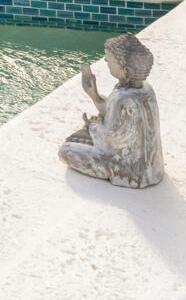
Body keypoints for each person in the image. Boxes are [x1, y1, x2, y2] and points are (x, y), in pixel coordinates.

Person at [59, 33, 165, 189]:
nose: (106, 60)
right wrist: (94, 95)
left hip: (126, 168)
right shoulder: (146, 89)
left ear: (125, 69)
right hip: (151, 166)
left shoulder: (123, 98)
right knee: (80, 138)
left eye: (110, 59)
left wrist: (93, 126)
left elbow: (112, 137)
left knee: (66, 150)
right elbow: (115, 117)